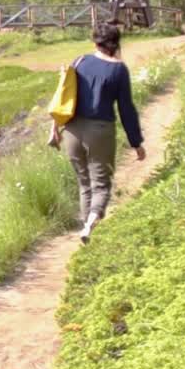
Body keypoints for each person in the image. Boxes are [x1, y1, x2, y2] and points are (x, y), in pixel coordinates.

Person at [47, 23, 145, 244]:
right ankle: (91, 224)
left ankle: (86, 227)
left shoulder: (80, 61)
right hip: (100, 131)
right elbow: (126, 109)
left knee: (84, 183)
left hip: (71, 129)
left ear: (95, 43)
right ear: (116, 43)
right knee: (101, 183)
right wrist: (136, 142)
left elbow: (63, 96)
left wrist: (55, 127)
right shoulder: (119, 69)